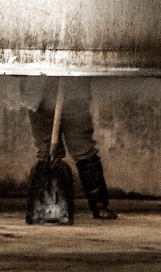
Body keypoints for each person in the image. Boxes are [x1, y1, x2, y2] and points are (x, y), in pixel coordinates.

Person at [20, 76, 116, 219]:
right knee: (47, 153)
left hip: (74, 96)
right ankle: (47, 205)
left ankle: (99, 204)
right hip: (37, 96)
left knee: (83, 149)